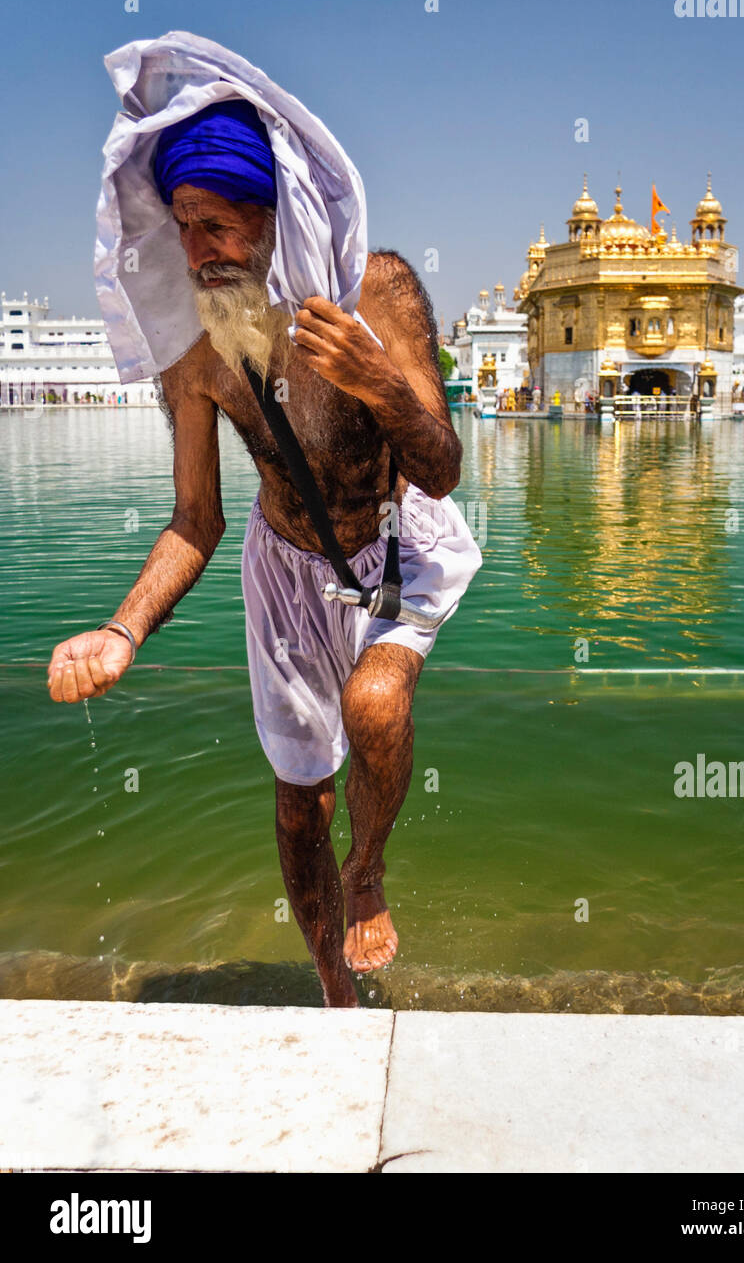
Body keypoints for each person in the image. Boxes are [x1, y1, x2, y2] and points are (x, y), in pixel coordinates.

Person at [46, 79, 482, 1008]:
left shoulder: (381, 294)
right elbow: (194, 520)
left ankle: (367, 868)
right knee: (296, 808)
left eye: (214, 224)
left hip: (399, 542)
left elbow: (440, 468)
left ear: (273, 212)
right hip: (284, 567)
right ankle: (333, 984)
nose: (195, 252)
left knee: (374, 703)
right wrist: (120, 631)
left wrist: (383, 383)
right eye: (182, 227)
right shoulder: (197, 354)